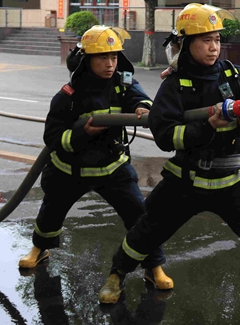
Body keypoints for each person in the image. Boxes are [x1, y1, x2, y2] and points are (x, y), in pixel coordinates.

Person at [101, 3, 240, 325]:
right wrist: (206, 127)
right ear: (186, 44)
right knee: (147, 230)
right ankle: (117, 274)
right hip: (188, 179)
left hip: (232, 179)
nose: (213, 47)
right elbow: (165, 136)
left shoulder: (236, 76)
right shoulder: (175, 85)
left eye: (217, 40)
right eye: (205, 40)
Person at [18, 25, 174, 295]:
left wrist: (142, 107)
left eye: (114, 57)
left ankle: (154, 266)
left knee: (139, 216)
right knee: (51, 212)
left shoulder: (123, 85)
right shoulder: (68, 95)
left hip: (113, 168)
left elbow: (140, 98)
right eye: (103, 57)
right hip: (70, 170)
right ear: (86, 60)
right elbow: (52, 137)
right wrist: (83, 133)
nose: (110, 64)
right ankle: (39, 249)